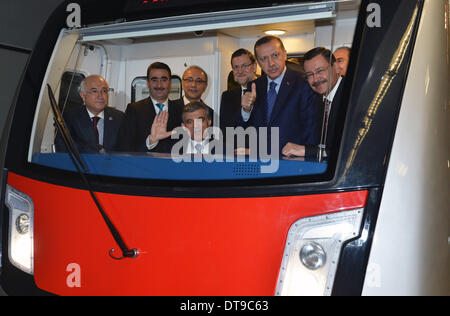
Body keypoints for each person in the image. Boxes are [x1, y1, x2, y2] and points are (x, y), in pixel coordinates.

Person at [236, 36, 318, 154]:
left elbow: (311, 129)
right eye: (264, 58)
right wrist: (246, 110)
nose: (271, 63)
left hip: (293, 164)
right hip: (260, 163)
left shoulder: (303, 83)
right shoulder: (254, 86)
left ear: (285, 55)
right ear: (258, 63)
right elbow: (241, 130)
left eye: (275, 55)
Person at [282, 47, 344, 159]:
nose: (315, 79)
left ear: (335, 67)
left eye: (320, 71)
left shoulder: (352, 97)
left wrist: (307, 151)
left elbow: (346, 149)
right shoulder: (317, 100)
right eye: (310, 75)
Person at [116, 62, 184, 152]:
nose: (159, 85)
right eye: (154, 80)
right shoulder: (134, 110)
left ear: (170, 82)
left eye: (163, 80)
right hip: (143, 164)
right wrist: (150, 141)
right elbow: (124, 147)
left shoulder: (181, 110)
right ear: (148, 83)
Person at [55, 75, 123, 153]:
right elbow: (63, 147)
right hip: (81, 164)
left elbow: (126, 147)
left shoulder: (119, 118)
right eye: (94, 91)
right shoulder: (69, 117)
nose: (100, 96)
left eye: (104, 91)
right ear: (83, 96)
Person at [219, 48, 258, 135]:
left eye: (244, 66)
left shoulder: (267, 90)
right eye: (236, 67)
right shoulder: (227, 96)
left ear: (254, 67)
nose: (240, 71)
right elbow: (224, 131)